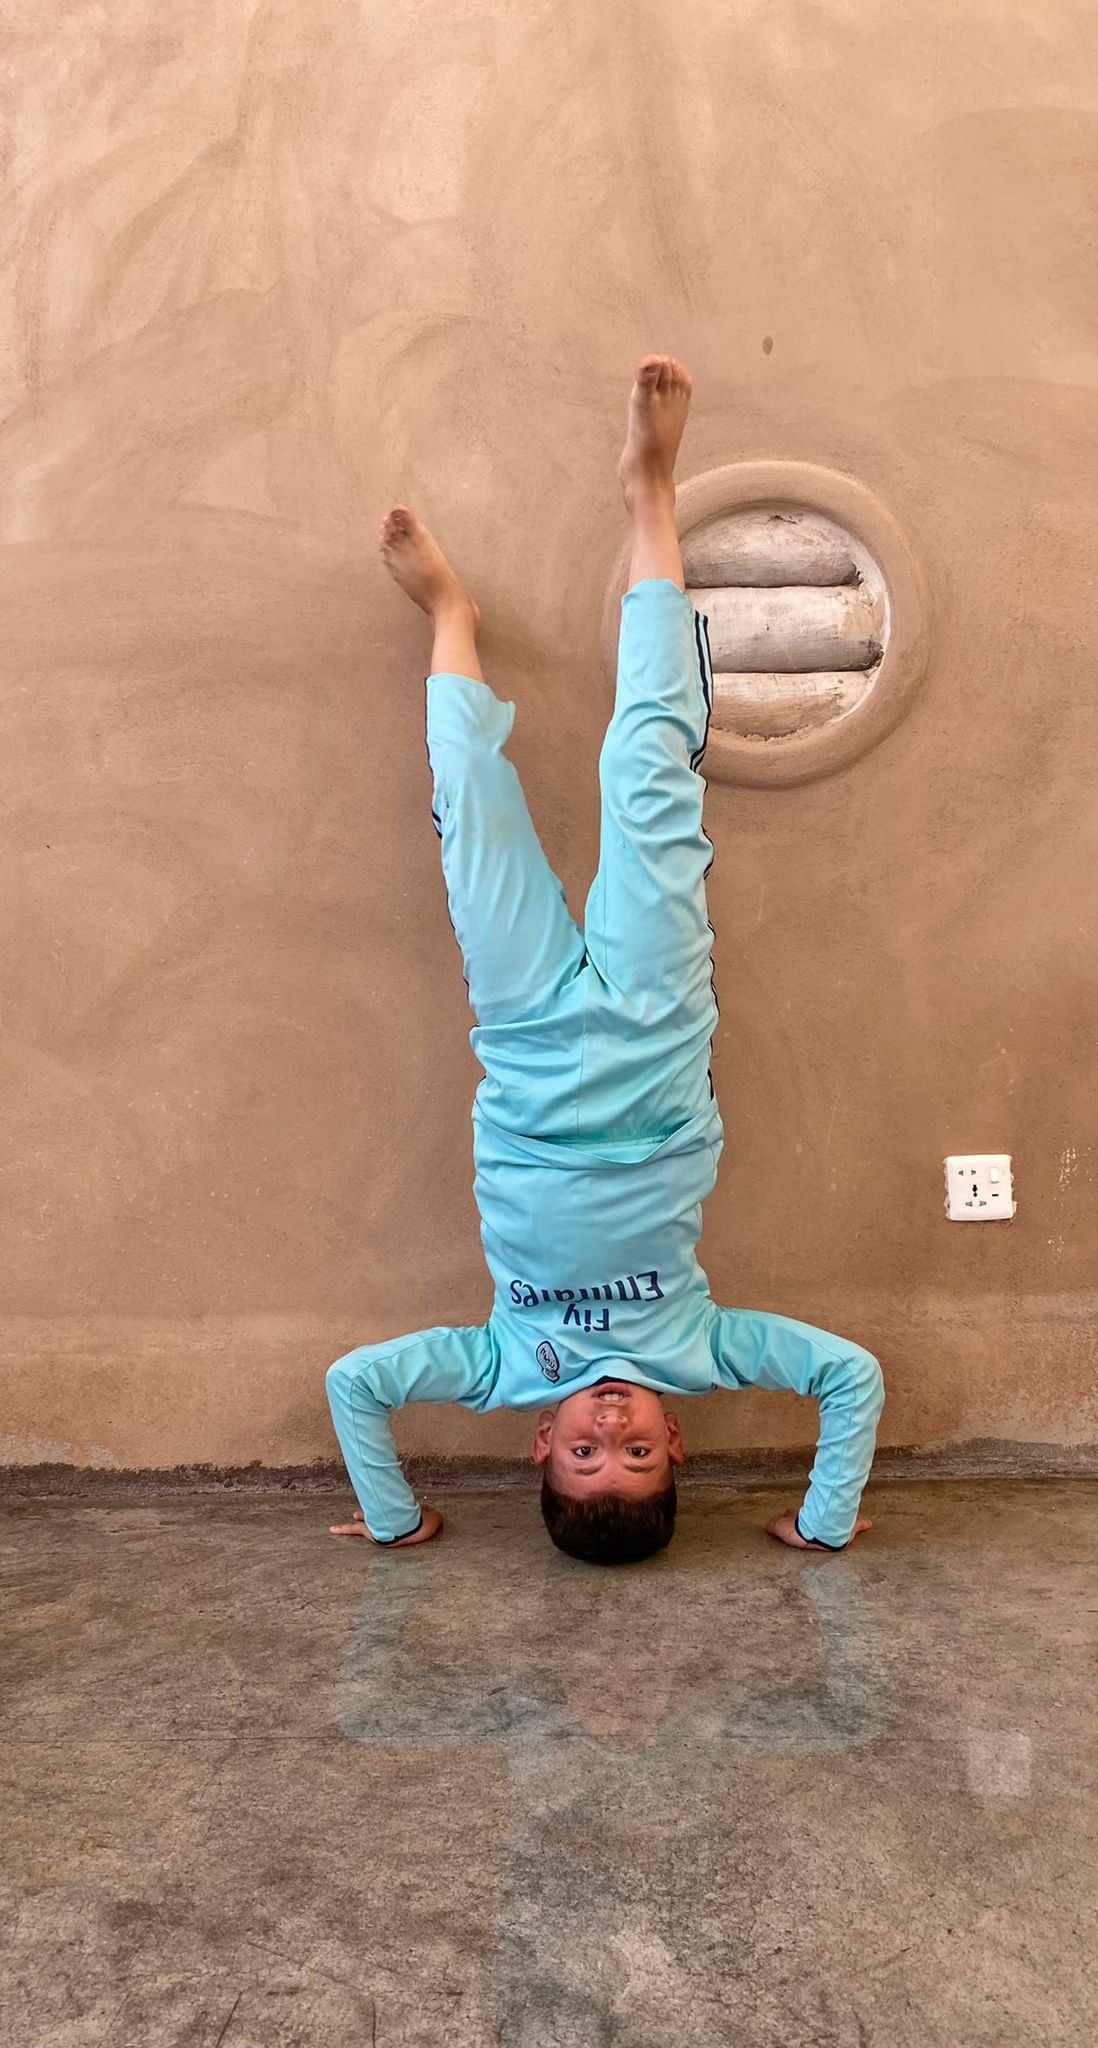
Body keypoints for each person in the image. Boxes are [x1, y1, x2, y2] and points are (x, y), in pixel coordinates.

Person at [326, 356, 882, 1565]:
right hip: (652, 1024)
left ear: (538, 1442)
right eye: (639, 1453)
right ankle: (651, 496)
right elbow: (849, 1375)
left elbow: (354, 1384)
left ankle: (453, 618)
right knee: (647, 773)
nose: (613, 1428)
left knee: (470, 812)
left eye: (588, 1451)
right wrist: (819, 1520)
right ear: (681, 1440)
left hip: (522, 1040)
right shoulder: (703, 1345)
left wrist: (398, 1518)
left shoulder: (495, 1365)